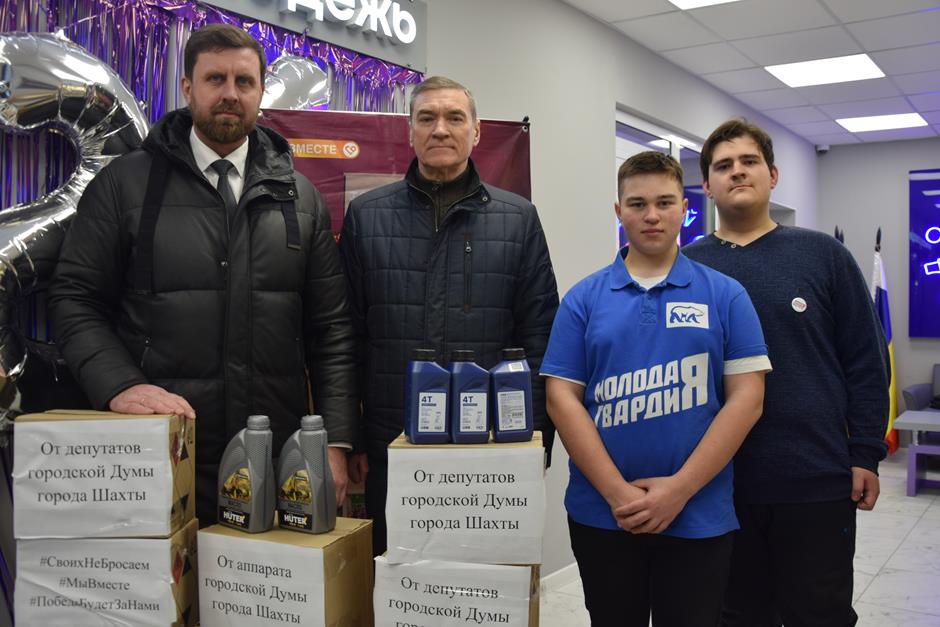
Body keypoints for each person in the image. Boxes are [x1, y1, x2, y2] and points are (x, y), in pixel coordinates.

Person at [48, 23, 357, 526]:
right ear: (188, 87)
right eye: (216, 79)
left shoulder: (300, 198)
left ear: (261, 92)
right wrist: (118, 384)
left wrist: (335, 443)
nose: (230, 93)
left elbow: (332, 331)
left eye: (244, 81)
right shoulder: (124, 185)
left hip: (274, 460)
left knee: (261, 579)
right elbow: (74, 298)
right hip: (161, 452)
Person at [541, 151, 771, 627]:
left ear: (684, 208)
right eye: (637, 203)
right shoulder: (583, 299)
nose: (651, 215)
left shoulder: (726, 294)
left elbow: (748, 399)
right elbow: (561, 399)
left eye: (665, 202)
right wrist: (617, 493)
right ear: (618, 210)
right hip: (602, 514)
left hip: (698, 513)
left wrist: (678, 490)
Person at [339, 75, 559, 555]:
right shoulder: (367, 216)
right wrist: (350, 438)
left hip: (492, 445)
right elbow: (345, 336)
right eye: (427, 118)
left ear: (476, 132)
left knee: (481, 580)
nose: (440, 129)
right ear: (410, 132)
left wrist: (538, 436)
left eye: (454, 117)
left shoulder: (518, 218)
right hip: (392, 443)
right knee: (397, 576)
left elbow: (541, 335)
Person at [683, 118, 890, 627]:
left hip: (815, 479)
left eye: (749, 161)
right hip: (718, 484)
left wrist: (865, 451)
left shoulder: (824, 256)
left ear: (772, 175)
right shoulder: (685, 268)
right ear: (706, 185)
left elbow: (866, 360)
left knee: (819, 614)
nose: (737, 172)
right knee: (735, 616)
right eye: (723, 166)